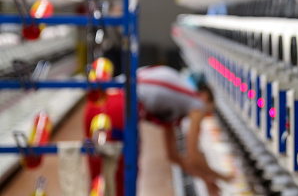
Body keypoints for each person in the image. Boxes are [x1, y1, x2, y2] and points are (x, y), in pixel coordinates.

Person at [84, 65, 232, 196]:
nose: (203, 117)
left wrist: (207, 178)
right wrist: (225, 178)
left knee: (100, 174)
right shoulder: (197, 103)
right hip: (121, 108)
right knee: (121, 178)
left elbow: (173, 155)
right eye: (208, 113)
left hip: (97, 102)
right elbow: (193, 156)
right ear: (205, 97)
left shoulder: (174, 95)